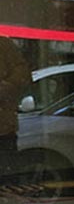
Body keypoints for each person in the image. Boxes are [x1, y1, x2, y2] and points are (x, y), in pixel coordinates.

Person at [0, 37, 30, 185]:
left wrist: (6, 87)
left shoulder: (3, 45)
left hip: (3, 130)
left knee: (7, 181)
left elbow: (23, 75)